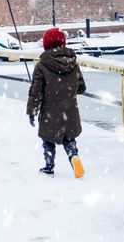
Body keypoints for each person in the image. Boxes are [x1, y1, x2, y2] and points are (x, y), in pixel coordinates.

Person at [26, 27, 86, 178]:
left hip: (49, 111)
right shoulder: (73, 63)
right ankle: (74, 158)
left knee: (48, 139)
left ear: (46, 44)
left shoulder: (41, 66)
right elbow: (82, 87)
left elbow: (36, 92)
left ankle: (49, 166)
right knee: (69, 139)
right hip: (70, 110)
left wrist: (32, 111)